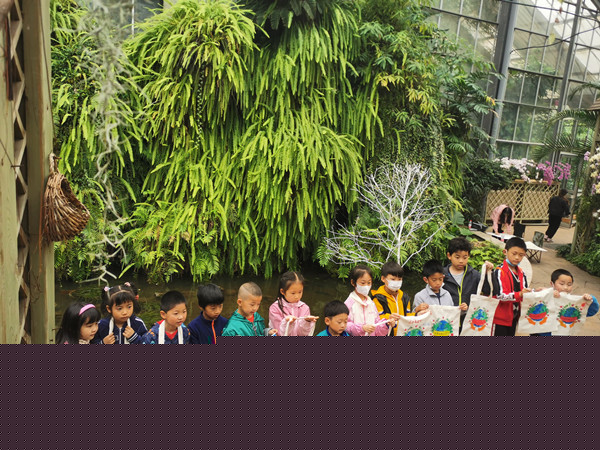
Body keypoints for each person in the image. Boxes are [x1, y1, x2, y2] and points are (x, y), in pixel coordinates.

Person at [483, 237, 531, 336]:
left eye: (521, 255)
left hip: (514, 317)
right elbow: (499, 296)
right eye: (514, 253)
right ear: (505, 252)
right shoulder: (499, 271)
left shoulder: (522, 273)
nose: (517, 257)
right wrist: (519, 294)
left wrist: (536, 292)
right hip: (500, 319)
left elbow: (525, 292)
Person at [443, 238, 493, 327]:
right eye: (457, 257)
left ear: (468, 256)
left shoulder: (474, 275)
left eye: (465, 257)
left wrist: (487, 274)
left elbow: (488, 290)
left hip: (468, 323)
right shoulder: (442, 276)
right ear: (449, 256)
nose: (461, 261)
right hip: (447, 321)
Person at [533, 269, 599, 336]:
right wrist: (546, 294)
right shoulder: (545, 295)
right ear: (552, 284)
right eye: (561, 284)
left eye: (569, 284)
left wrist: (589, 299)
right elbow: (531, 304)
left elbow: (591, 311)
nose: (565, 287)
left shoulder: (572, 303)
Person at [344, 265, 396, 336]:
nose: (366, 286)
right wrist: (362, 328)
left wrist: (386, 324)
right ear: (353, 282)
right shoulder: (349, 304)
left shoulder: (371, 303)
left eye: (369, 283)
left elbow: (377, 327)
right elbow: (345, 325)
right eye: (363, 283)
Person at [269, 271, 318, 336]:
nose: (297, 296)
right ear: (282, 291)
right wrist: (287, 323)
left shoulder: (305, 308)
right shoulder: (275, 308)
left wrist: (306, 322)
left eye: (300, 292)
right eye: (293, 293)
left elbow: (303, 334)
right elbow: (279, 333)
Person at [371, 261, 414, 336]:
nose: (396, 282)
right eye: (393, 279)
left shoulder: (405, 297)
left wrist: (417, 314)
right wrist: (389, 317)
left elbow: (407, 316)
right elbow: (376, 319)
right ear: (383, 279)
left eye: (399, 279)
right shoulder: (378, 299)